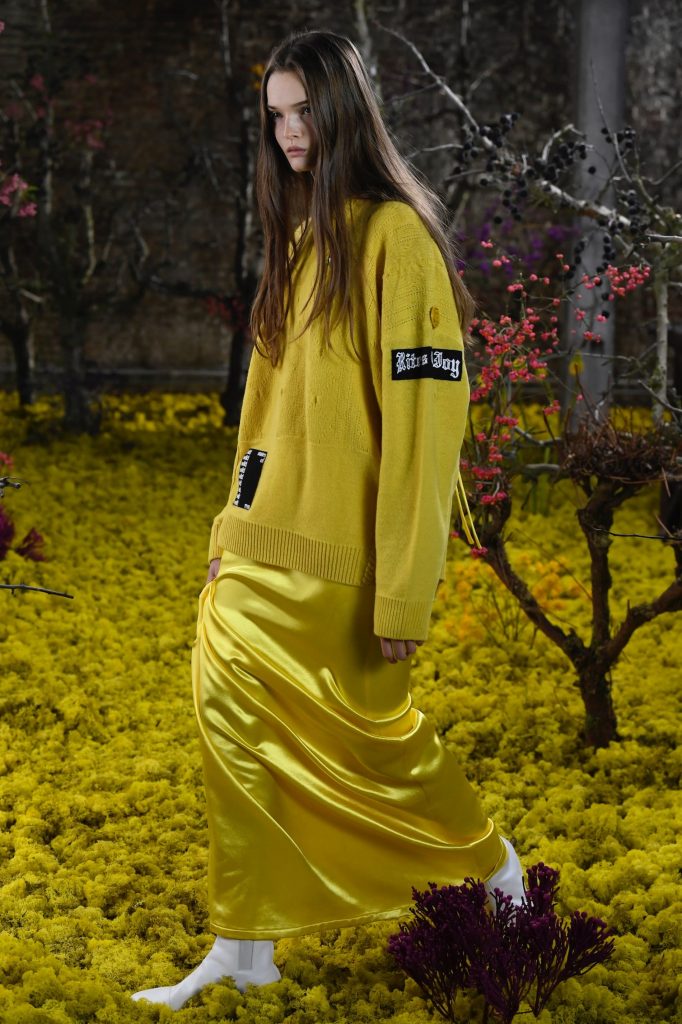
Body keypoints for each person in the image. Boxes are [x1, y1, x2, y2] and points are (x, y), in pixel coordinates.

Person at [132, 28, 524, 1012]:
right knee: (231, 734)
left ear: (344, 109)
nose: (289, 132)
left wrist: (405, 587)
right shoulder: (301, 242)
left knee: (379, 750)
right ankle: (244, 946)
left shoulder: (398, 240)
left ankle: (497, 872)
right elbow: (260, 420)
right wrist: (232, 528)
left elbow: (426, 430)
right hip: (259, 556)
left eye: (304, 111)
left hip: (349, 567)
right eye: (276, 116)